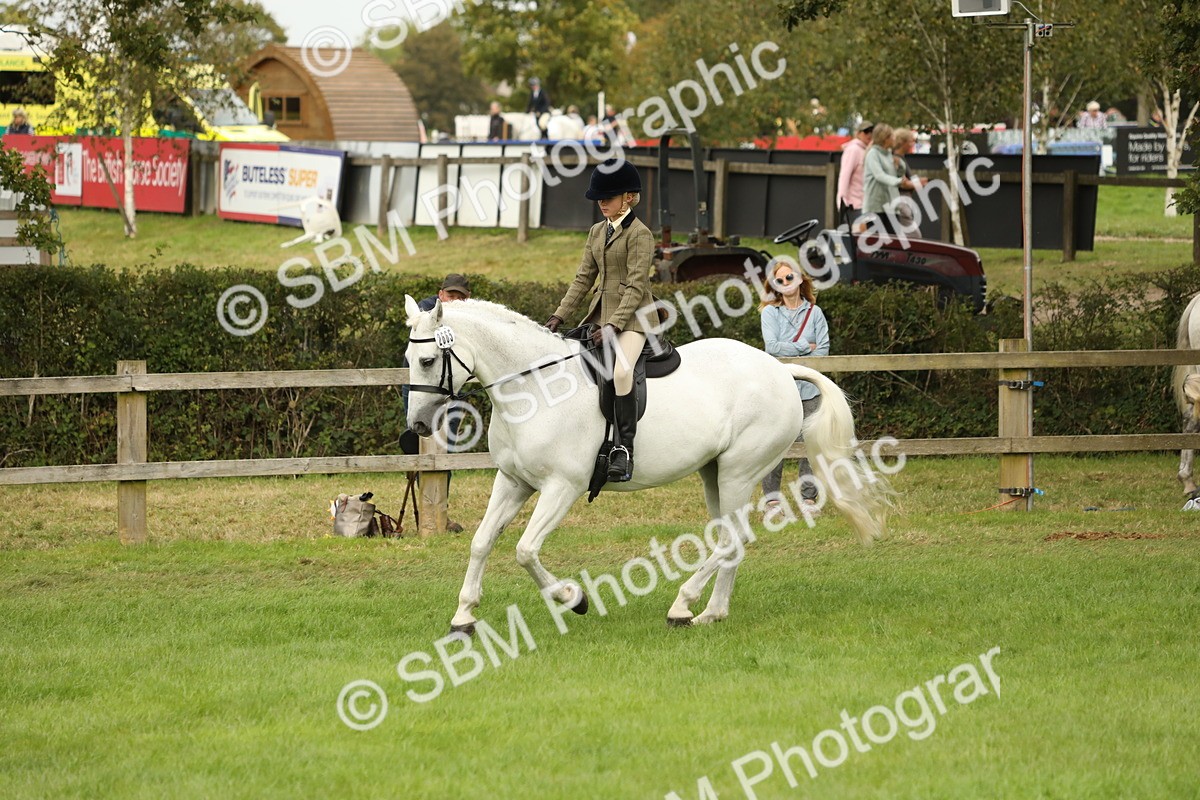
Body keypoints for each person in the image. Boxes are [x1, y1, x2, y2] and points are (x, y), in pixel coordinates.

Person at [544, 159, 656, 482]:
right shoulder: (596, 232)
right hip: (599, 317)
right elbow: (582, 280)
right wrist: (558, 315)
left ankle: (625, 451)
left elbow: (636, 287)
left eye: (608, 198)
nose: (602, 203)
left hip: (633, 320)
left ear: (629, 197)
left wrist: (614, 326)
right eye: (599, 199)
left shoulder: (640, 235)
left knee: (621, 371)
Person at [402, 273, 473, 532]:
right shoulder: (425, 311)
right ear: (441, 294)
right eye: (451, 295)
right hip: (422, 390)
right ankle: (429, 516)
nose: (454, 300)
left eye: (460, 297)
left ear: (468, 299)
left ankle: (440, 515)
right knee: (422, 446)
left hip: (451, 391)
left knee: (446, 450)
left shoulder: (468, 318)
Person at [759, 261, 829, 512]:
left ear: (800, 279)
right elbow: (772, 347)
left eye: (790, 277)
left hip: (810, 387)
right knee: (774, 441)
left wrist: (793, 348)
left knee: (812, 444)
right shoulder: (770, 313)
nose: (786, 283)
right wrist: (804, 347)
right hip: (780, 387)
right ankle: (771, 498)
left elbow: (823, 351)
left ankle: (808, 496)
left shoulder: (815, 313)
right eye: (780, 280)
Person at [862, 123, 903, 229]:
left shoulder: (889, 154)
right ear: (885, 138)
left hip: (891, 207)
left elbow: (895, 174)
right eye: (892, 136)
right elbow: (879, 175)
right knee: (876, 243)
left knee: (894, 243)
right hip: (875, 208)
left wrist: (899, 167)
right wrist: (898, 181)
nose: (894, 139)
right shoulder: (873, 154)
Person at [836, 120, 873, 230]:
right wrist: (842, 201)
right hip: (854, 205)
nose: (869, 134)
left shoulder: (867, 151)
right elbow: (844, 176)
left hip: (865, 203)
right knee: (858, 239)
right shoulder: (853, 150)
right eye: (866, 131)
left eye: (872, 131)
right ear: (858, 133)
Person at [891, 128, 928, 228]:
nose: (913, 144)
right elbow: (902, 182)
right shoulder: (896, 159)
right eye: (911, 141)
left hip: (905, 201)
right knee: (914, 235)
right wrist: (917, 183)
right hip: (900, 201)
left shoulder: (900, 158)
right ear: (903, 142)